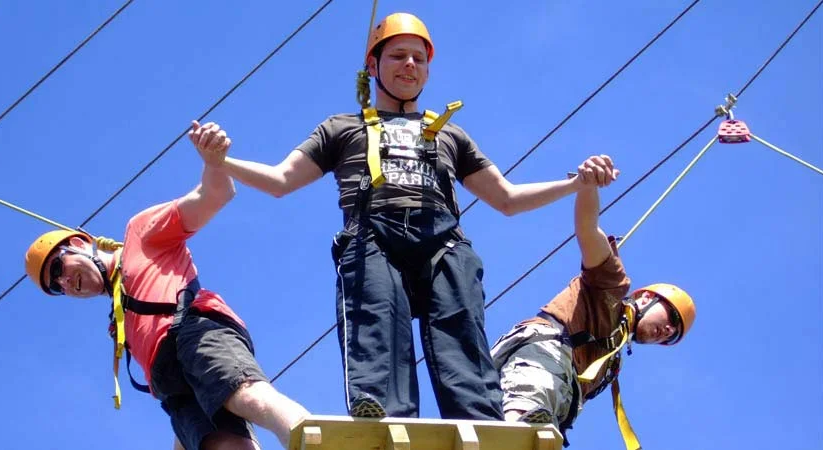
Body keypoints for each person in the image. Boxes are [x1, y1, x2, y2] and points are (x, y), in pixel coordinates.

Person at [211, 12, 609, 421]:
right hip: (373, 235)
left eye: (419, 59)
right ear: (373, 66)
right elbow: (281, 180)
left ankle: (482, 418)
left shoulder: (450, 134)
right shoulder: (342, 128)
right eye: (398, 55)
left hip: (443, 239)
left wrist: (575, 184)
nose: (410, 65)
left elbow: (507, 198)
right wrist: (222, 161)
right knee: (377, 317)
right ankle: (381, 410)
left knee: (460, 327)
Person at [24, 122, 309, 450]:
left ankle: (309, 437)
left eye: (58, 266)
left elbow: (214, 196)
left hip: (193, 329)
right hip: (171, 381)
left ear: (78, 243)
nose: (64, 282)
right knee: (217, 444)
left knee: (243, 393)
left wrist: (214, 162)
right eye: (56, 286)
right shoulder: (120, 322)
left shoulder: (139, 235)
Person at [490, 155, 697, 447]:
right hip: (545, 354)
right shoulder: (612, 287)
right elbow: (588, 229)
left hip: (553, 391)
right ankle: (515, 430)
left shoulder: (611, 364)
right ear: (647, 297)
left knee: (514, 423)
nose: (667, 331)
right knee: (529, 411)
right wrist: (587, 184)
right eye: (671, 319)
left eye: (671, 336)